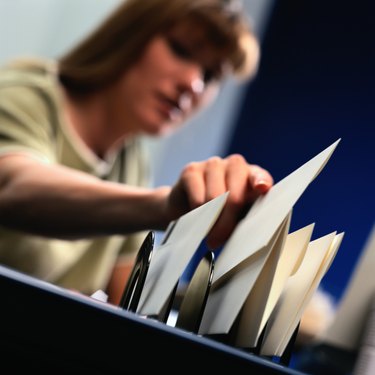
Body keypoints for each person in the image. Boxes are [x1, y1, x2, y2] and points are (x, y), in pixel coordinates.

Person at [0, 0, 273, 305]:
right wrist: (168, 205)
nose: (193, 84)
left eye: (210, 76)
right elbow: (11, 187)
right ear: (130, 34)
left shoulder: (132, 166)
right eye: (180, 50)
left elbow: (127, 305)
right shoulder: (26, 93)